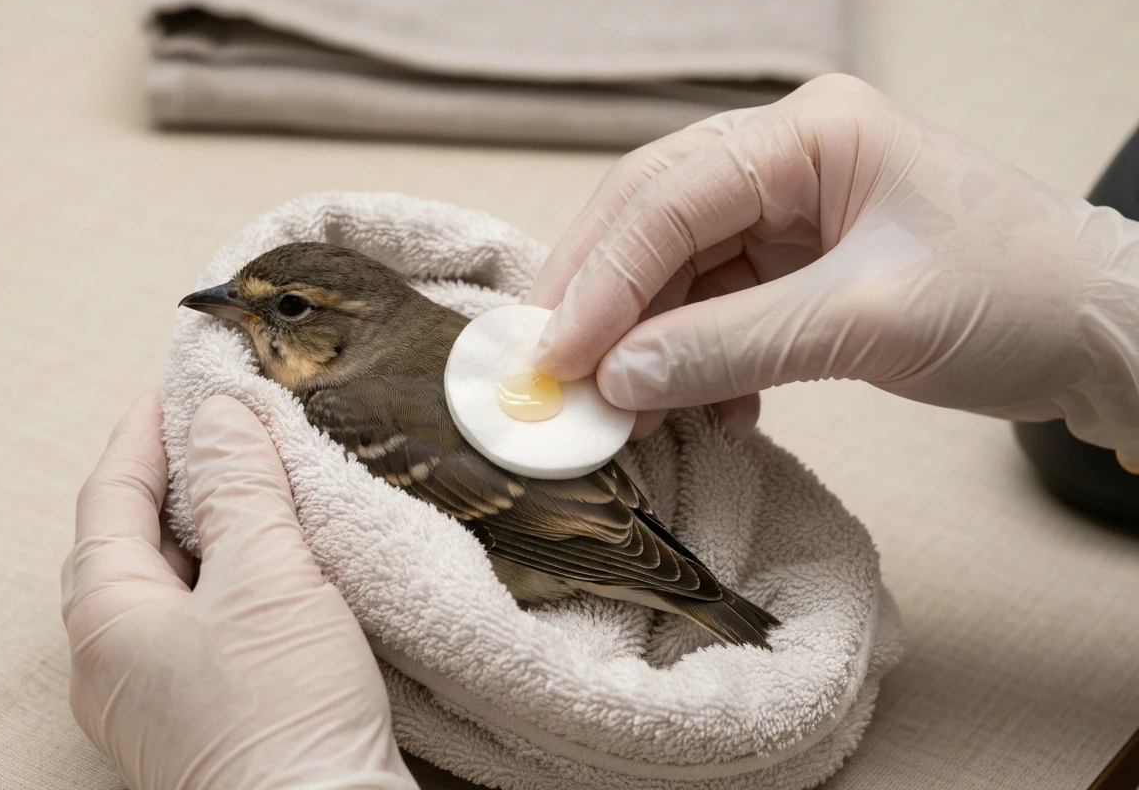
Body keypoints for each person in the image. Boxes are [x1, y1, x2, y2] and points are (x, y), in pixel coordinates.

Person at [61, 75, 1139, 789]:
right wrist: (1104, 325)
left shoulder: (343, 404)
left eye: (282, 308)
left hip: (551, 548)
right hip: (599, 512)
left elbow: (479, 516)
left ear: (343, 334)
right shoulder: (403, 353)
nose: (240, 318)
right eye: (253, 302)